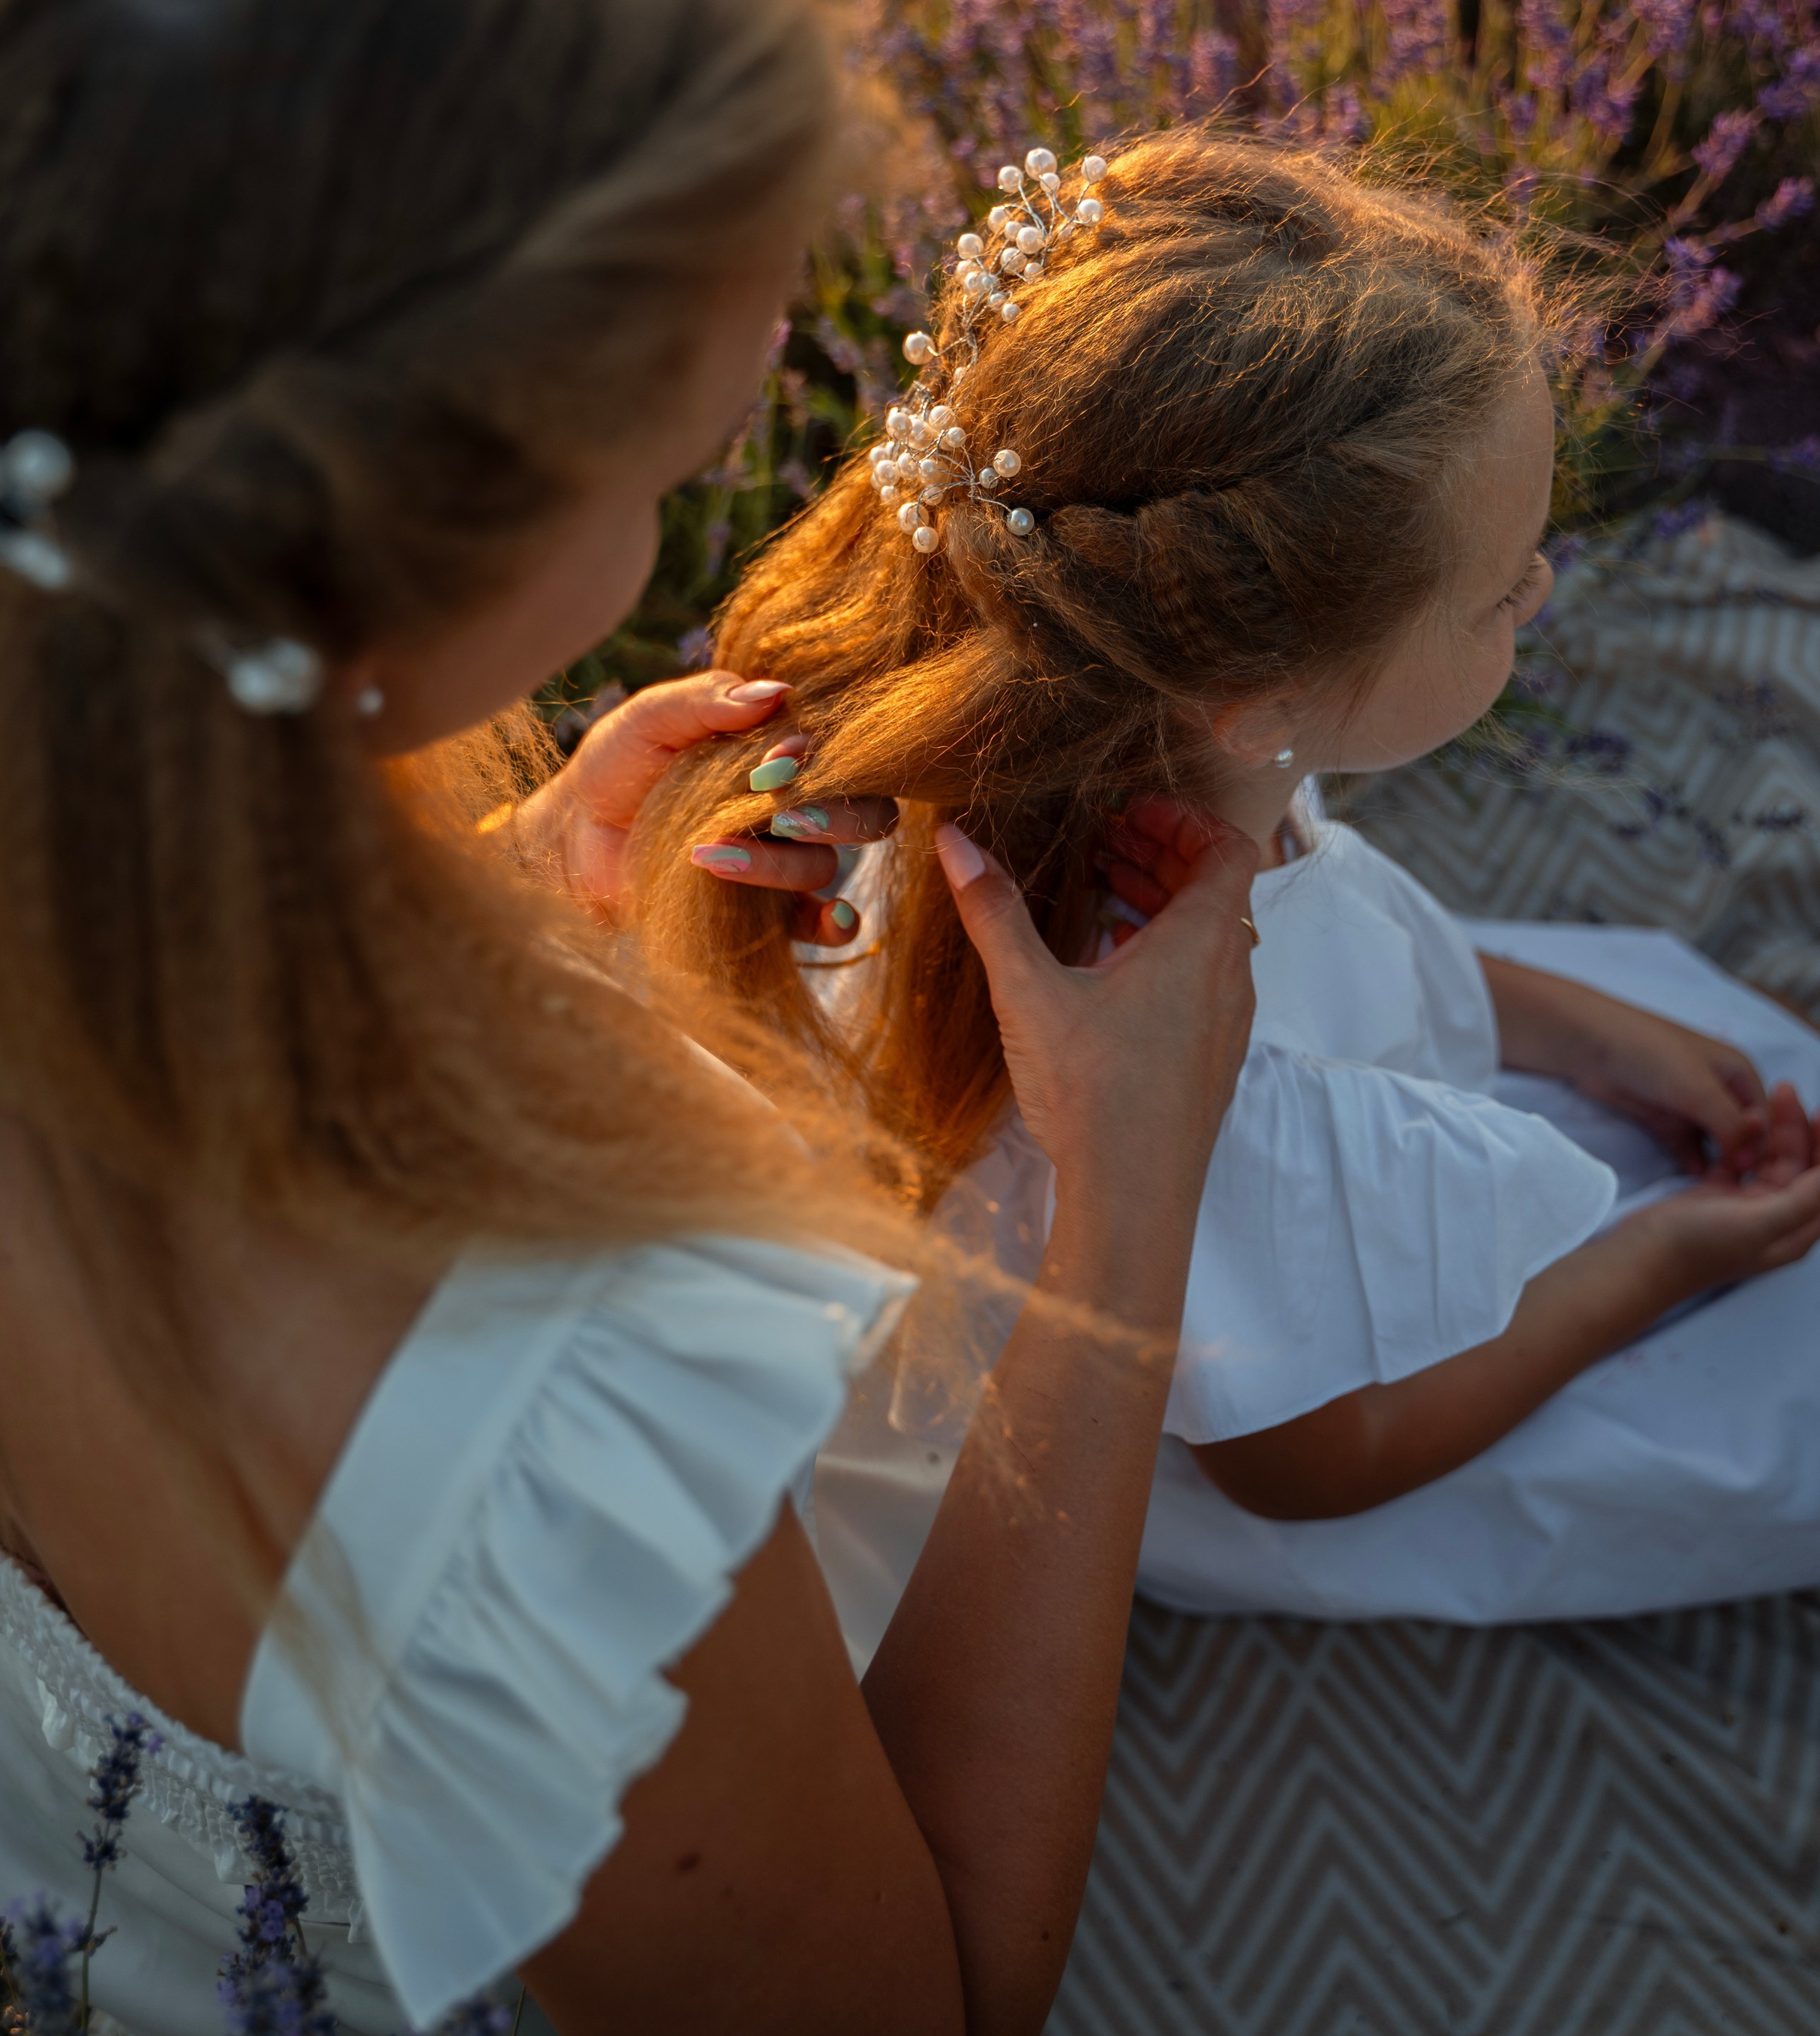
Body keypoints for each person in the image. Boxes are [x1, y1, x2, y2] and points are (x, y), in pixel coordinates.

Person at [0, 0, 1260, 2036]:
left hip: (58, 1819)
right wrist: (1125, 1191)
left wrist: (489, 882)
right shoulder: (539, 1383)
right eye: (660, 462)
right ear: (367, 581)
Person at [641, 127, 1820, 1654]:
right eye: (1497, 587)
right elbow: (1309, 1462)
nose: (1538, 591)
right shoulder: (1201, 1064)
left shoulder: (1148, 751)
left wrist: (1585, 1034)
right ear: (1257, 688)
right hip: (1300, 1399)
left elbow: (1349, 930)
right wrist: (1653, 1260)